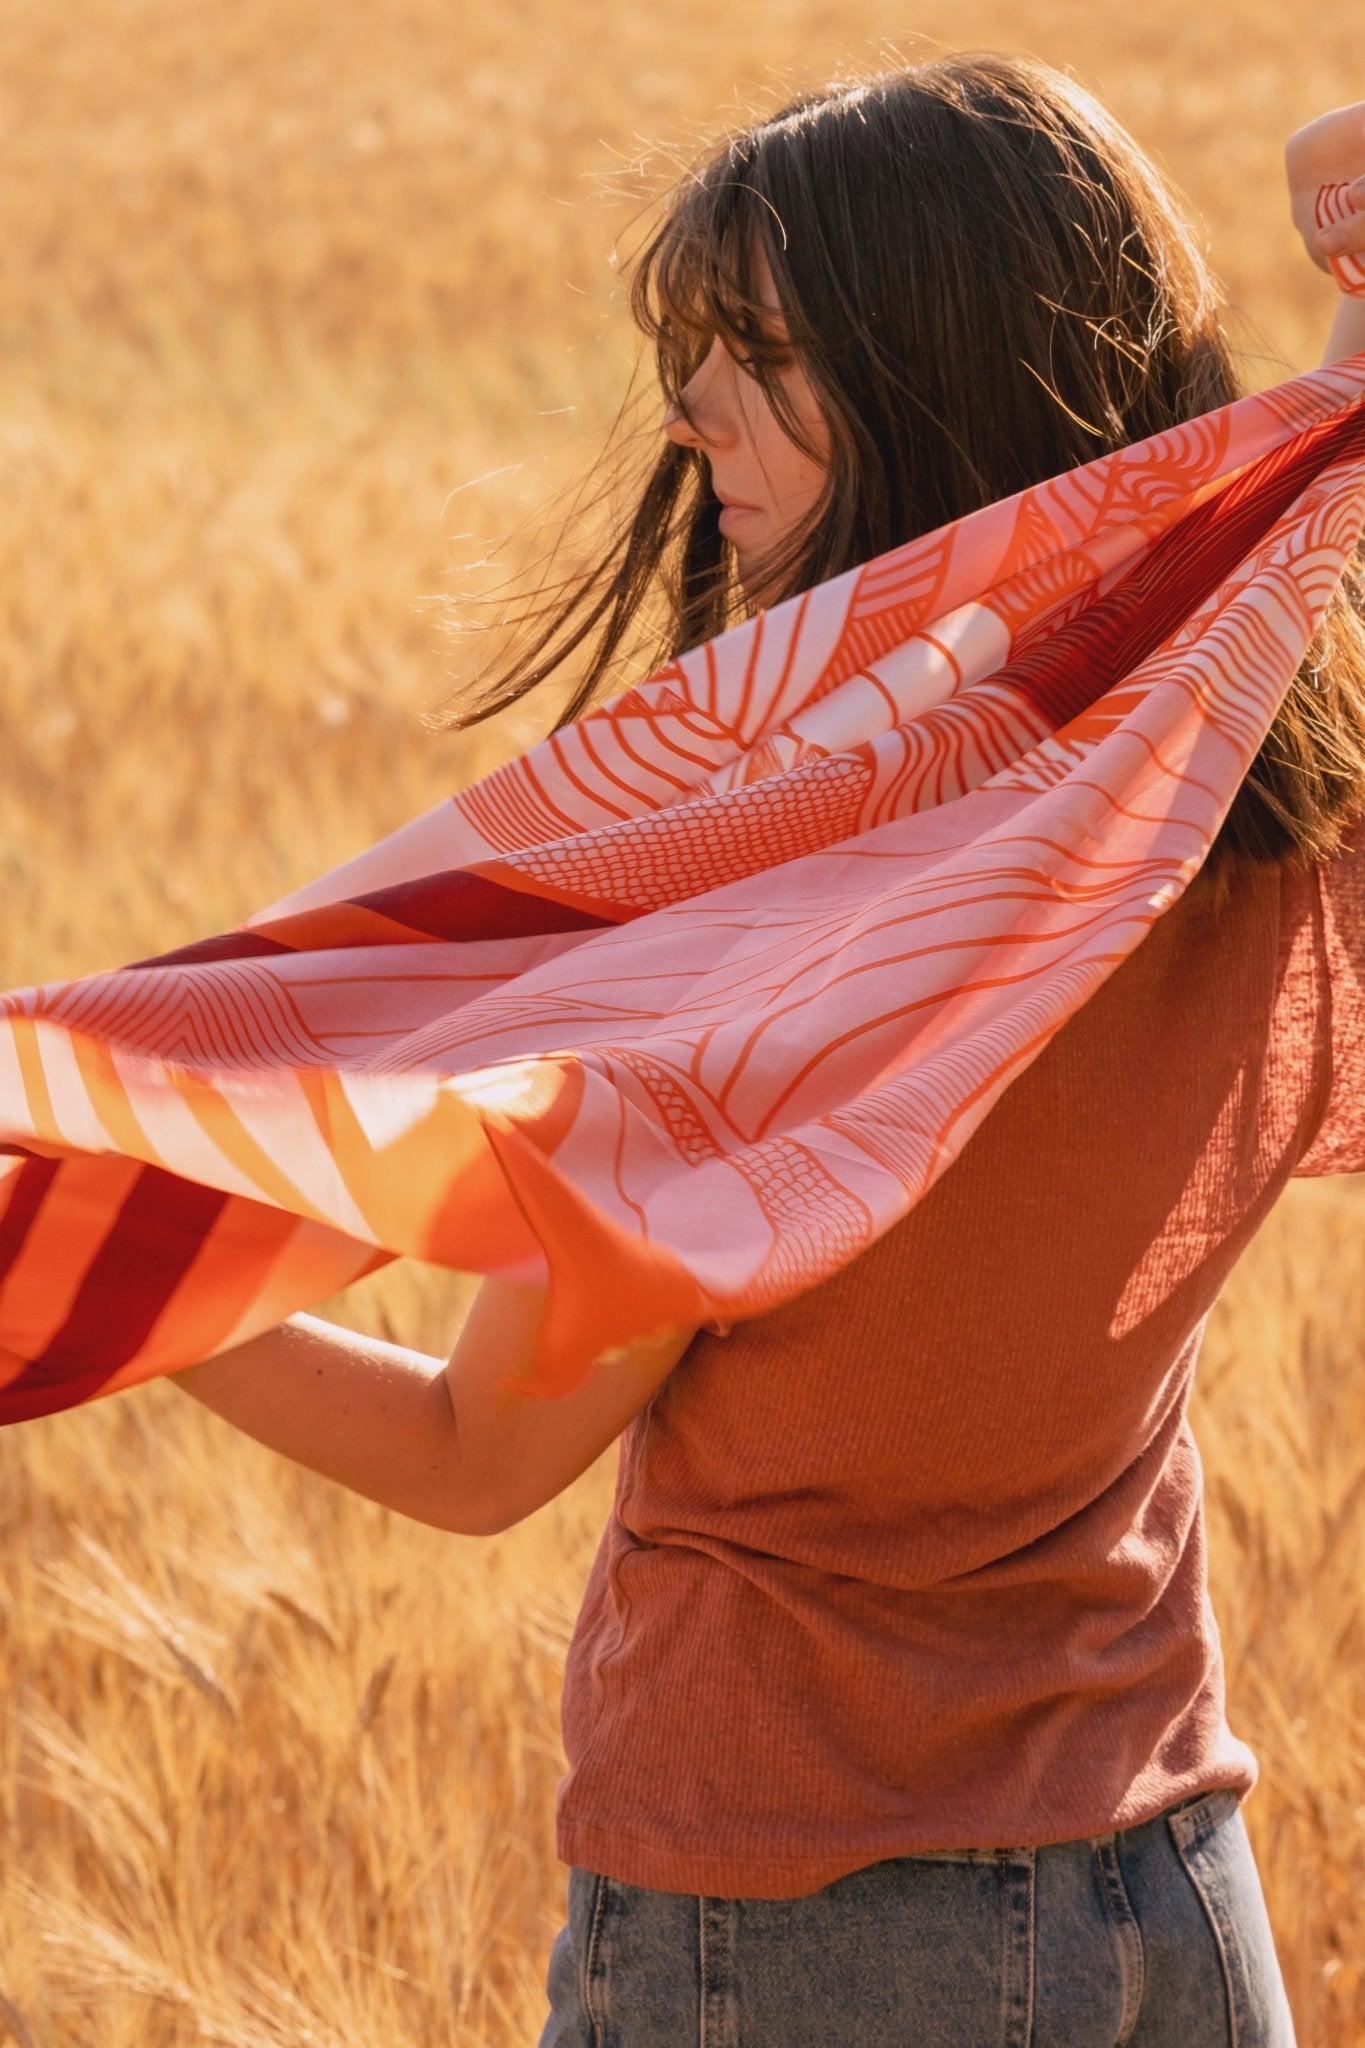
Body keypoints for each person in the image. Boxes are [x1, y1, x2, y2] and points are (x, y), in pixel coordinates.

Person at [167, 54, 1365, 2048]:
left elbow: (474, 1455)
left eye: (763, 348)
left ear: (941, 380)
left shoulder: (754, 926)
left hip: (805, 1928)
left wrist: (124, 1259)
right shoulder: (1246, 830)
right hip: (1165, 1888)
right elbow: (1265, 549)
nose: (689, 404)